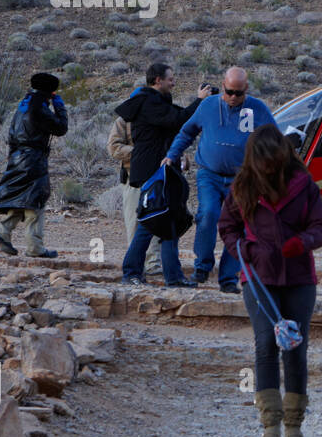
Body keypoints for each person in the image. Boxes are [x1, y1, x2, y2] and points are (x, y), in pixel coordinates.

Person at [218, 125, 322, 437]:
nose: (268, 167)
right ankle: (270, 425)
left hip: (299, 278)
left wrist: (302, 242)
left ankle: (294, 426)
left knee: (295, 347)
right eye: (263, 162)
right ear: (255, 159)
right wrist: (245, 250)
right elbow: (227, 228)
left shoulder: (305, 184)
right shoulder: (241, 187)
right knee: (266, 344)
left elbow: (320, 228)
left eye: (273, 161)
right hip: (257, 278)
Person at [163, 66, 276, 293]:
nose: (233, 97)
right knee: (208, 215)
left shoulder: (257, 108)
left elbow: (273, 138)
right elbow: (187, 132)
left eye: (238, 93)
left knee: (241, 225)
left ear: (246, 90)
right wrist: (171, 155)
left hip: (242, 178)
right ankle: (202, 267)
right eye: (229, 91)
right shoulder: (209, 105)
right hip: (209, 173)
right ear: (222, 85)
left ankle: (228, 278)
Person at [117, 63, 209, 286]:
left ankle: (172, 277)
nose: (174, 82)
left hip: (160, 169)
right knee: (152, 222)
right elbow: (179, 120)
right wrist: (199, 100)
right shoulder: (149, 102)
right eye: (171, 78)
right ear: (158, 80)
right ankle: (131, 272)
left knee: (168, 222)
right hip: (152, 170)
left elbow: (178, 120)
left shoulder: (157, 102)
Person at [0, 72, 68, 258]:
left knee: (23, 197)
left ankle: (2, 231)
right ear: (50, 91)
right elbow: (61, 128)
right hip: (33, 159)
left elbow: (11, 133)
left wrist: (12, 158)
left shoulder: (23, 104)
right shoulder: (38, 106)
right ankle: (35, 246)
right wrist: (60, 107)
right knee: (36, 199)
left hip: (18, 156)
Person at [108, 109, 161, 278]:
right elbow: (114, 147)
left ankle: (153, 264)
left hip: (156, 176)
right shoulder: (124, 121)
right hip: (132, 176)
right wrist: (141, 152)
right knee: (134, 222)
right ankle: (136, 265)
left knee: (156, 219)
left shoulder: (159, 117)